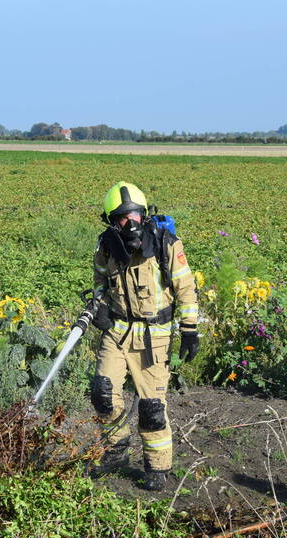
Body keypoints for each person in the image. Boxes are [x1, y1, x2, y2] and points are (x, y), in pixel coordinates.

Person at [89, 182, 199, 492]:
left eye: (135, 215)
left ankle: (158, 467)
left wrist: (189, 329)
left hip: (154, 334)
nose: (131, 222)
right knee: (102, 392)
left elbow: (186, 288)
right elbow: (99, 281)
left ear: (144, 214)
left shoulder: (166, 243)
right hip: (117, 331)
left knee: (151, 409)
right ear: (112, 220)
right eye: (122, 218)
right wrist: (100, 308)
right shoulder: (105, 246)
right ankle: (115, 452)